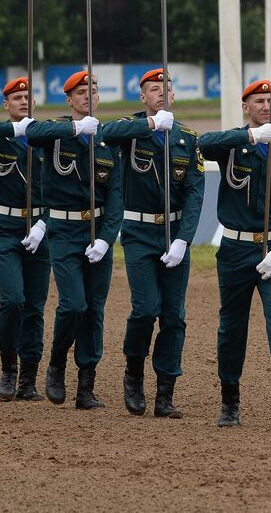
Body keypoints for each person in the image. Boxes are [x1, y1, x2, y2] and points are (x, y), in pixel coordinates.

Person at [198, 80, 271, 433]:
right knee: (232, 327)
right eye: (258, 101)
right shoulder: (233, 145)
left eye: (270, 101)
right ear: (246, 107)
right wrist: (249, 138)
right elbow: (202, 145)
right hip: (235, 250)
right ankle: (230, 402)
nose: (266, 106)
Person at [100, 68, 204, 418]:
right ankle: (133, 372)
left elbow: (194, 193)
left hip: (173, 236)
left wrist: (184, 240)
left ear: (173, 96)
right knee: (146, 309)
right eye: (153, 89)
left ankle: (165, 392)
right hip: (139, 235)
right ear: (142, 97)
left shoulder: (188, 139)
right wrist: (148, 125)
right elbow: (105, 132)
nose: (161, 93)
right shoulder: (131, 131)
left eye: (166, 88)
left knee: (174, 316)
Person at [25, 71, 124, 410]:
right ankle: (56, 363)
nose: (88, 96)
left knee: (94, 311)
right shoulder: (56, 133)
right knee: (74, 304)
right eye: (81, 92)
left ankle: (86, 385)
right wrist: (74, 128)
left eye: (93, 90)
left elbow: (116, 197)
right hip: (63, 232)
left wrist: (107, 238)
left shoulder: (108, 140)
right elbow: (32, 131)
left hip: (96, 232)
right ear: (69, 100)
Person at [0, 77, 51, 401]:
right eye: (17, 97)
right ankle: (8, 371)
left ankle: (28, 378)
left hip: (40, 229)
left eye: (28, 96)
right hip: (4, 227)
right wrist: (15, 130)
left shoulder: (45, 137)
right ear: (6, 104)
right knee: (13, 300)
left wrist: (43, 224)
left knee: (34, 307)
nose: (23, 101)